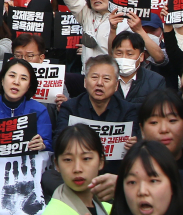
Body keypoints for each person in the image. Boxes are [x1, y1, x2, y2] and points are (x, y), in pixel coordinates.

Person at [51, 56, 136, 199]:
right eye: (94, 77)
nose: (100, 83)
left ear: (116, 86)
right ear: (85, 82)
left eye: (106, 79)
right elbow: (58, 141)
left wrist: (134, 143)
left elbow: (133, 148)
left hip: (112, 174)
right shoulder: (70, 107)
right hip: (78, 172)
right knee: (49, 178)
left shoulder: (128, 110)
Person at [0, 58, 53, 161]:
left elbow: (49, 146)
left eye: (23, 78)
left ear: (29, 85)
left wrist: (43, 145)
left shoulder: (39, 111)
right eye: (12, 76)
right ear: (2, 80)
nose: (16, 82)